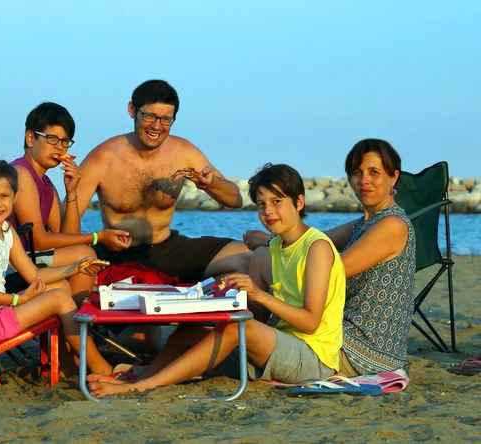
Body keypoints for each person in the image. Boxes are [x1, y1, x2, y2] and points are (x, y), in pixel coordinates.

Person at [85, 163, 346, 397]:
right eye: (261, 204)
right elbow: (258, 314)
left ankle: (139, 387)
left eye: (277, 201)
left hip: (313, 357)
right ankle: (143, 376)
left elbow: (311, 323)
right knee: (190, 331)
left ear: (299, 203)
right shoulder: (277, 246)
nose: (268, 211)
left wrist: (257, 293)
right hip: (280, 344)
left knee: (236, 329)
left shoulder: (317, 248)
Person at [244, 139, 416, 376]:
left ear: (394, 177)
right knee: (254, 257)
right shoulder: (364, 223)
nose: (364, 180)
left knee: (262, 260)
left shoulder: (392, 225)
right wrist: (272, 241)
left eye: (374, 172)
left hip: (364, 349)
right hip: (338, 331)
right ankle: (248, 333)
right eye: (357, 172)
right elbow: (309, 240)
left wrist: (268, 244)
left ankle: (251, 337)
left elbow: (330, 268)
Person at [74, 80, 251, 284]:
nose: (157, 126)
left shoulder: (183, 151)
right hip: (116, 255)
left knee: (250, 254)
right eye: (150, 116)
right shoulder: (102, 158)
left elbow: (235, 200)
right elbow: (67, 224)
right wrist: (96, 239)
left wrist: (211, 185)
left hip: (169, 250)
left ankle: (224, 305)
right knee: (77, 265)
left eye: (166, 119)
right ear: (132, 110)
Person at [0, 159, 114, 376]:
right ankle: (101, 368)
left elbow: (34, 274)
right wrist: (18, 300)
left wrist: (76, 268)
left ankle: (65, 362)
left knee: (61, 286)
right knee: (59, 299)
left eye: (5, 196)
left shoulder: (6, 230)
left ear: (16, 197)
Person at [9, 102, 131, 303]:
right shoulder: (21, 173)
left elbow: (68, 237)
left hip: (27, 258)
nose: (59, 147)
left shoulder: (46, 183)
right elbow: (38, 241)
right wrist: (97, 237)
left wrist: (72, 191)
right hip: (8, 264)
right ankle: (76, 324)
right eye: (52, 139)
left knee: (82, 255)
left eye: (65, 141)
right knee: (85, 255)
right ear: (31, 138)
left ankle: (74, 324)